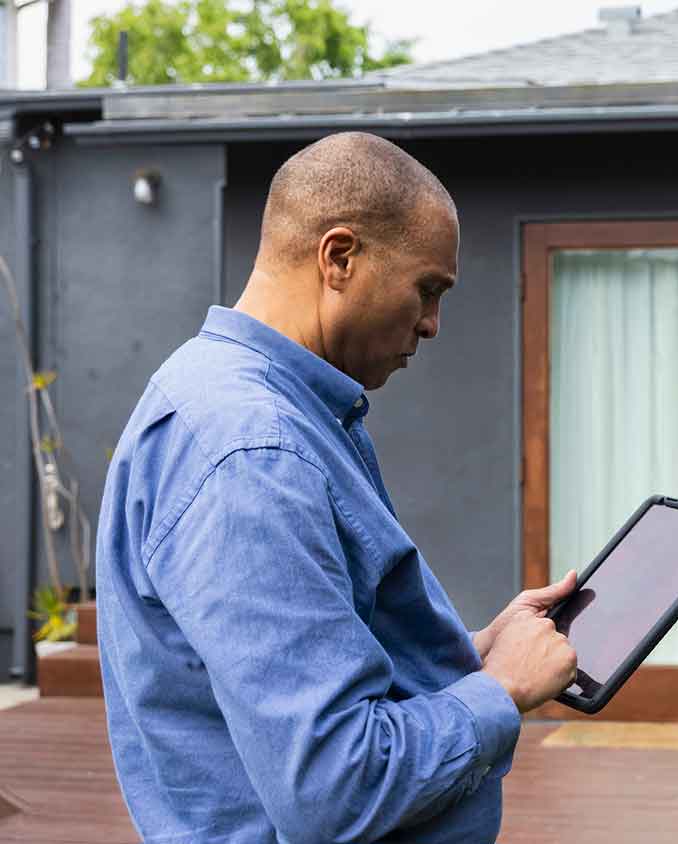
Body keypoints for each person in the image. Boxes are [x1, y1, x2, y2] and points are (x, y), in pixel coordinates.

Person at [94, 131, 577, 843]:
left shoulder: (252, 406)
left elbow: (297, 677)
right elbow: (333, 787)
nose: (433, 324)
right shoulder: (253, 452)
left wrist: (473, 656)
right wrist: (500, 691)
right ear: (339, 257)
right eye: (428, 289)